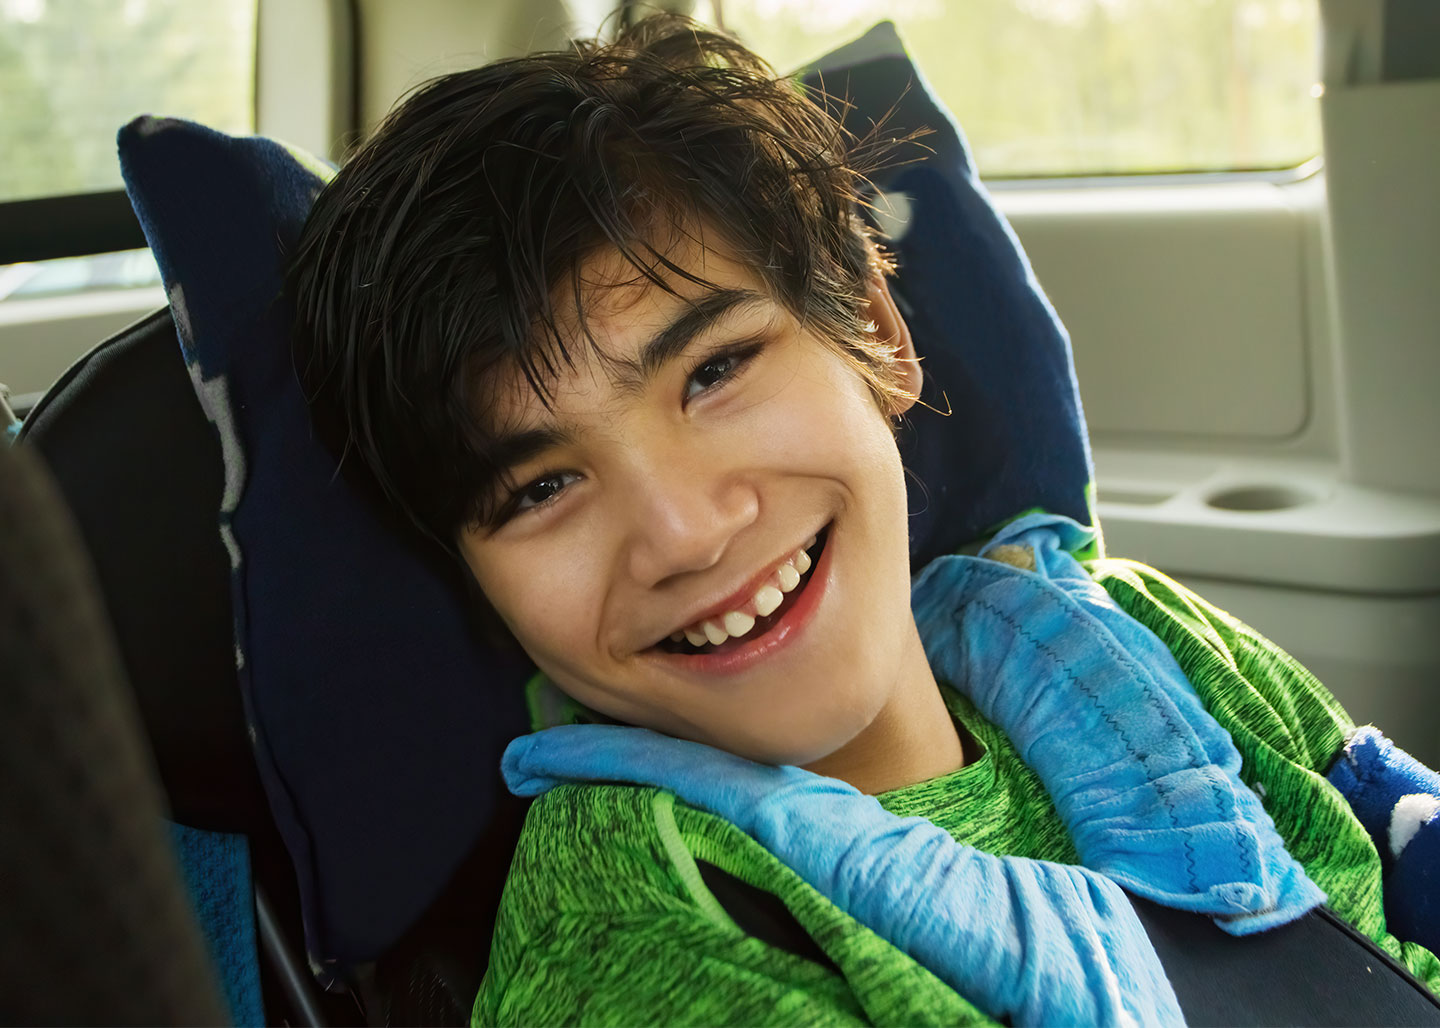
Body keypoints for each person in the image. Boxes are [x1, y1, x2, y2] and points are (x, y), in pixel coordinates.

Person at [285, 14, 1440, 1026]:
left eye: (716, 370)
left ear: (878, 336)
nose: (684, 531)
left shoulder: (1135, 638)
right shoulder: (640, 941)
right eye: (539, 489)